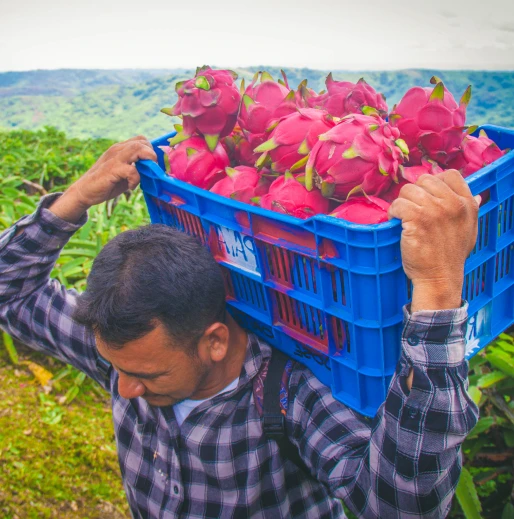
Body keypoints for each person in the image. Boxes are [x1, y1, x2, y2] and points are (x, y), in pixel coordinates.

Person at [0, 136, 480, 519]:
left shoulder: (288, 392)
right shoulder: (126, 353)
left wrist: (437, 288)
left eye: (150, 377)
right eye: (117, 368)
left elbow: (402, 508)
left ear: (214, 341)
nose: (123, 388)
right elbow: (9, 292)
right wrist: (76, 197)